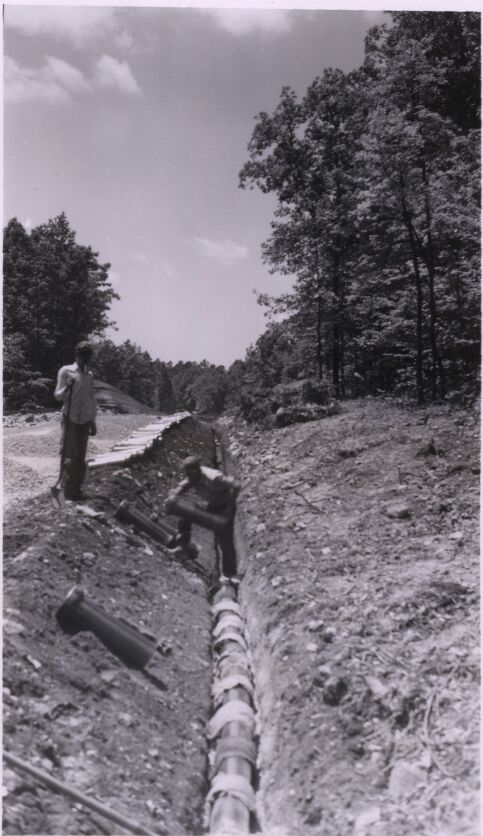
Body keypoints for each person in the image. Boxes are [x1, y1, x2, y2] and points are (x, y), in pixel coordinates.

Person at [168, 456, 240, 578]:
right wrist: (173, 495)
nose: (187, 476)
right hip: (212, 506)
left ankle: (230, 575)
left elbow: (236, 485)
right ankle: (183, 547)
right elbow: (183, 486)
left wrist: (229, 508)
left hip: (225, 507)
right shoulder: (194, 477)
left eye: (189, 473)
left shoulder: (214, 477)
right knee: (186, 510)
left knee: (224, 541)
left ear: (196, 470)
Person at [54, 341, 97, 501]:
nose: (86, 357)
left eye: (88, 355)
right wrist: (67, 387)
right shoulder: (66, 371)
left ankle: (76, 490)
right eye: (83, 354)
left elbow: (90, 398)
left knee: (80, 456)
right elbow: (57, 395)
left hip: (85, 419)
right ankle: (65, 490)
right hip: (70, 417)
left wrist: (93, 420)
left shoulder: (89, 375)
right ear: (77, 355)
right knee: (69, 454)